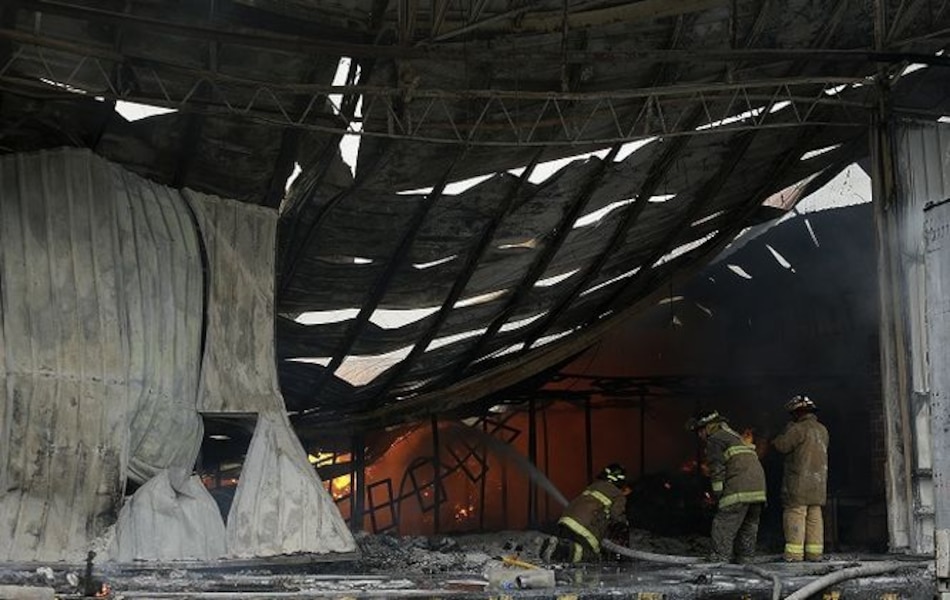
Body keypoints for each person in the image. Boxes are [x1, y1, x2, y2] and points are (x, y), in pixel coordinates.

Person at [686, 410, 767, 564]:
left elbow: (717, 469)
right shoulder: (735, 437)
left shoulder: (715, 439)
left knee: (723, 523)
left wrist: (717, 495)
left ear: (707, 427)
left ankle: (719, 560)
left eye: (699, 431)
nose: (699, 436)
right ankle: (745, 560)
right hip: (759, 489)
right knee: (747, 527)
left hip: (739, 488)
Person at [772, 394, 829, 562]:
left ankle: (794, 555)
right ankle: (814, 554)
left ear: (797, 413)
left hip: (799, 484)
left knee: (795, 514)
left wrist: (780, 435)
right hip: (818, 484)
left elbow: (782, 446)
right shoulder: (822, 430)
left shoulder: (797, 429)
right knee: (815, 517)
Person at [541, 463, 629, 563]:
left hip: (565, 523)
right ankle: (560, 550)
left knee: (573, 546)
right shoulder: (617, 494)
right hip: (584, 529)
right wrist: (624, 526)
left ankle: (557, 546)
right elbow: (617, 518)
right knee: (591, 556)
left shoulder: (593, 486)